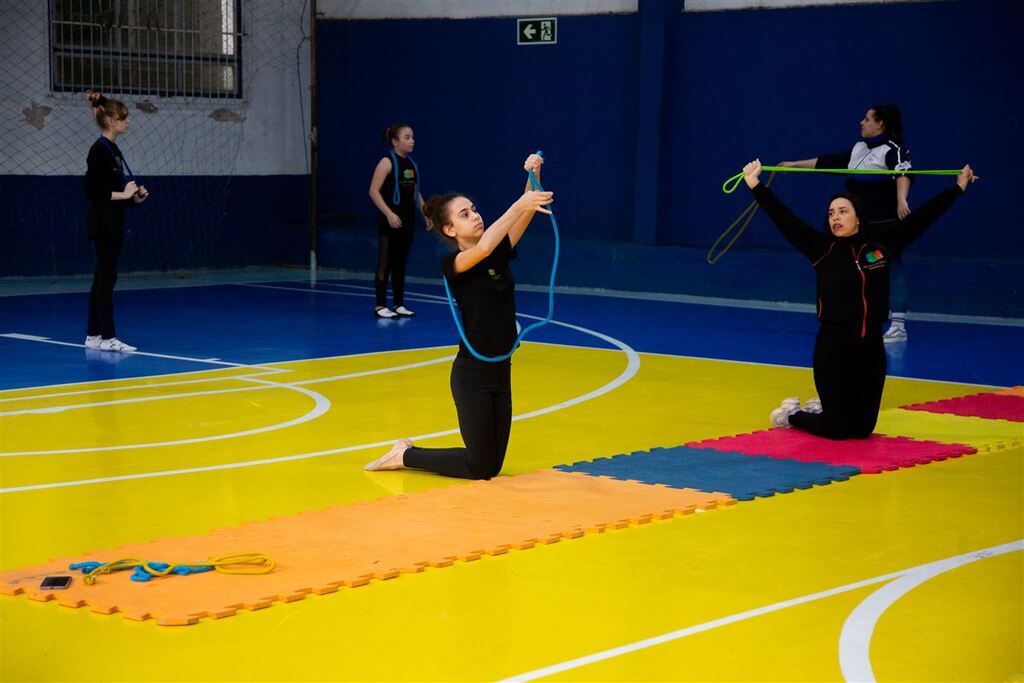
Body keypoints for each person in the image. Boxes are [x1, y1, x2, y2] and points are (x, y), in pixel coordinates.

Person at [742, 158, 975, 440]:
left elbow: (920, 220)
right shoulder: (821, 249)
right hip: (833, 350)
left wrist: (958, 188)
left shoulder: (880, 247)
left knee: (863, 429)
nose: (836, 218)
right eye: (831, 214)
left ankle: (825, 408)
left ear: (858, 217)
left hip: (870, 350)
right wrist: (755, 185)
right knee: (838, 430)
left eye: (843, 211)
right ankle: (793, 414)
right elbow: (785, 219)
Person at [363, 153, 553, 478]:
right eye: (465, 215)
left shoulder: (498, 253)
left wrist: (533, 173)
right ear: (450, 229)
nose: (475, 216)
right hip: (472, 376)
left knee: (490, 467)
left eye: (475, 210)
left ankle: (409, 454)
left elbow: (523, 216)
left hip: (501, 372)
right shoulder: (455, 264)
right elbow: (483, 247)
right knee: (478, 467)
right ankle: (406, 456)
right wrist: (519, 205)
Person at [780, 104, 913, 343]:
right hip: (858, 227)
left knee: (890, 269)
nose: (861, 122)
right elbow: (829, 162)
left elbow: (903, 173)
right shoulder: (859, 149)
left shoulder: (894, 150)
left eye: (867, 119)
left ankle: (899, 326)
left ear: (880, 123)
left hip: (883, 224)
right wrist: (795, 164)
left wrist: (902, 198)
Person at [83, 90, 148, 353]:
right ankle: (108, 337)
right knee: (106, 279)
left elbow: (115, 191)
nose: (128, 122)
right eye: (123, 118)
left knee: (102, 278)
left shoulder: (114, 149)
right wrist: (124, 194)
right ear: (110, 121)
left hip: (114, 220)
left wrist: (134, 198)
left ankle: (93, 335)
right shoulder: (98, 151)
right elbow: (92, 190)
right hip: (103, 224)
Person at [368, 123, 424, 319]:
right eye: (407, 137)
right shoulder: (387, 162)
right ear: (394, 141)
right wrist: (389, 214)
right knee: (386, 262)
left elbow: (416, 193)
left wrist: (425, 214)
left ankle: (399, 303)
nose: (412, 141)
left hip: (407, 221)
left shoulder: (411, 165)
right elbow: (373, 191)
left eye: (412, 137)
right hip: (390, 222)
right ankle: (380, 304)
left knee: (401, 262)